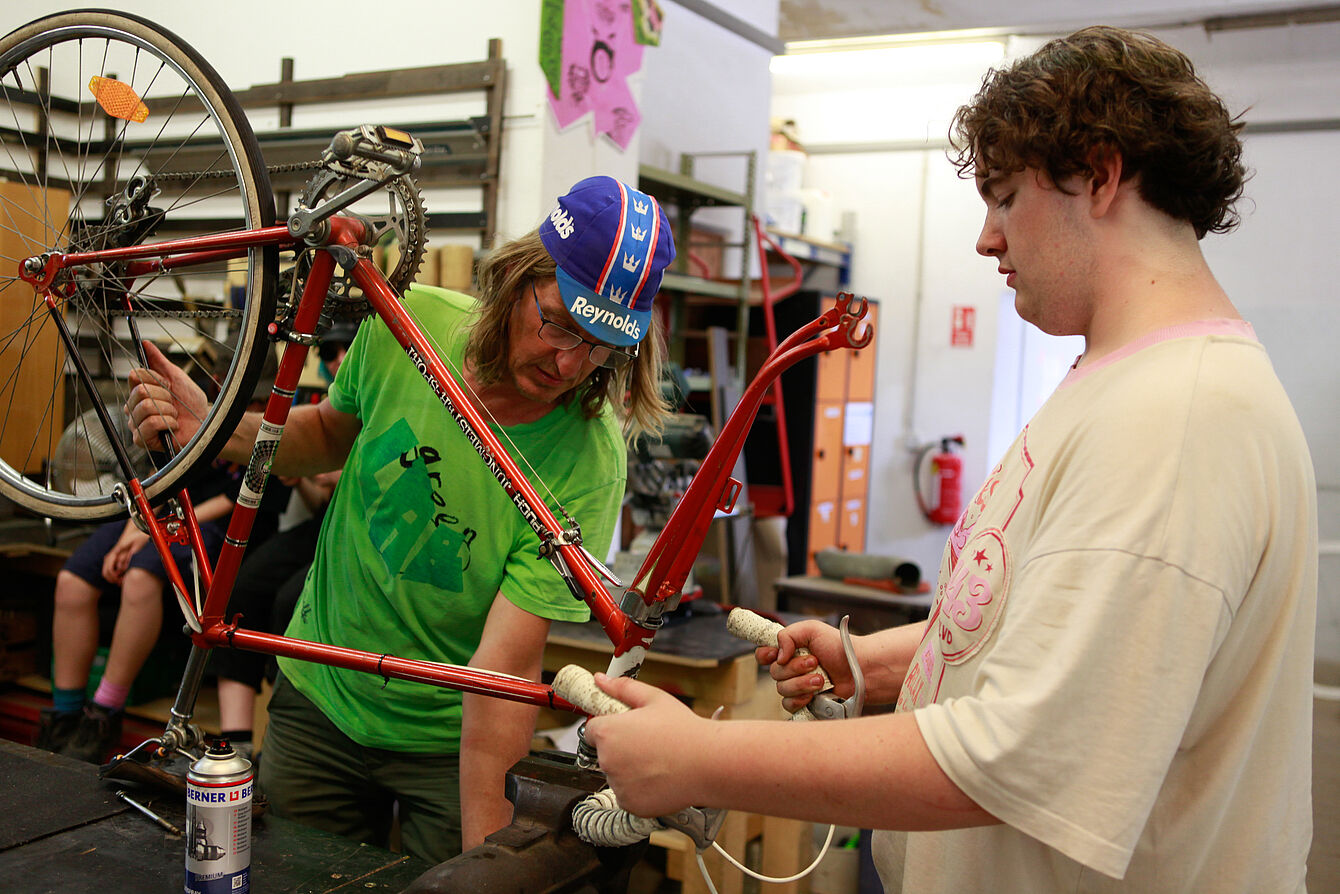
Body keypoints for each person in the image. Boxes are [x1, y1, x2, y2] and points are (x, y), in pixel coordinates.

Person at [583, 26, 1316, 894]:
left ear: (1101, 173)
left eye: (1005, 197)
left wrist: (701, 759)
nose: (986, 238)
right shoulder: (1124, 380)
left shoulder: (1178, 420)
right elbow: (1068, 643)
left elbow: (1025, 754)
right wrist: (878, 663)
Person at [125, 176, 675, 863]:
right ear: (516, 276)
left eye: (598, 343)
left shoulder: (588, 462)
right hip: (320, 698)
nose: (569, 362)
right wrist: (214, 429)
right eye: (560, 322)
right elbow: (326, 433)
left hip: (449, 742)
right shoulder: (408, 325)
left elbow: (504, 667)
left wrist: (485, 866)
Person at [209, 322, 356, 751]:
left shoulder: (386, 405)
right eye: (329, 354)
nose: (337, 360)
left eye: (345, 349)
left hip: (363, 534)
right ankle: (234, 748)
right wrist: (306, 479)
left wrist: (341, 476)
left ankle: (281, 746)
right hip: (324, 524)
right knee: (240, 588)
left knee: (291, 603)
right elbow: (316, 503)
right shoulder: (320, 407)